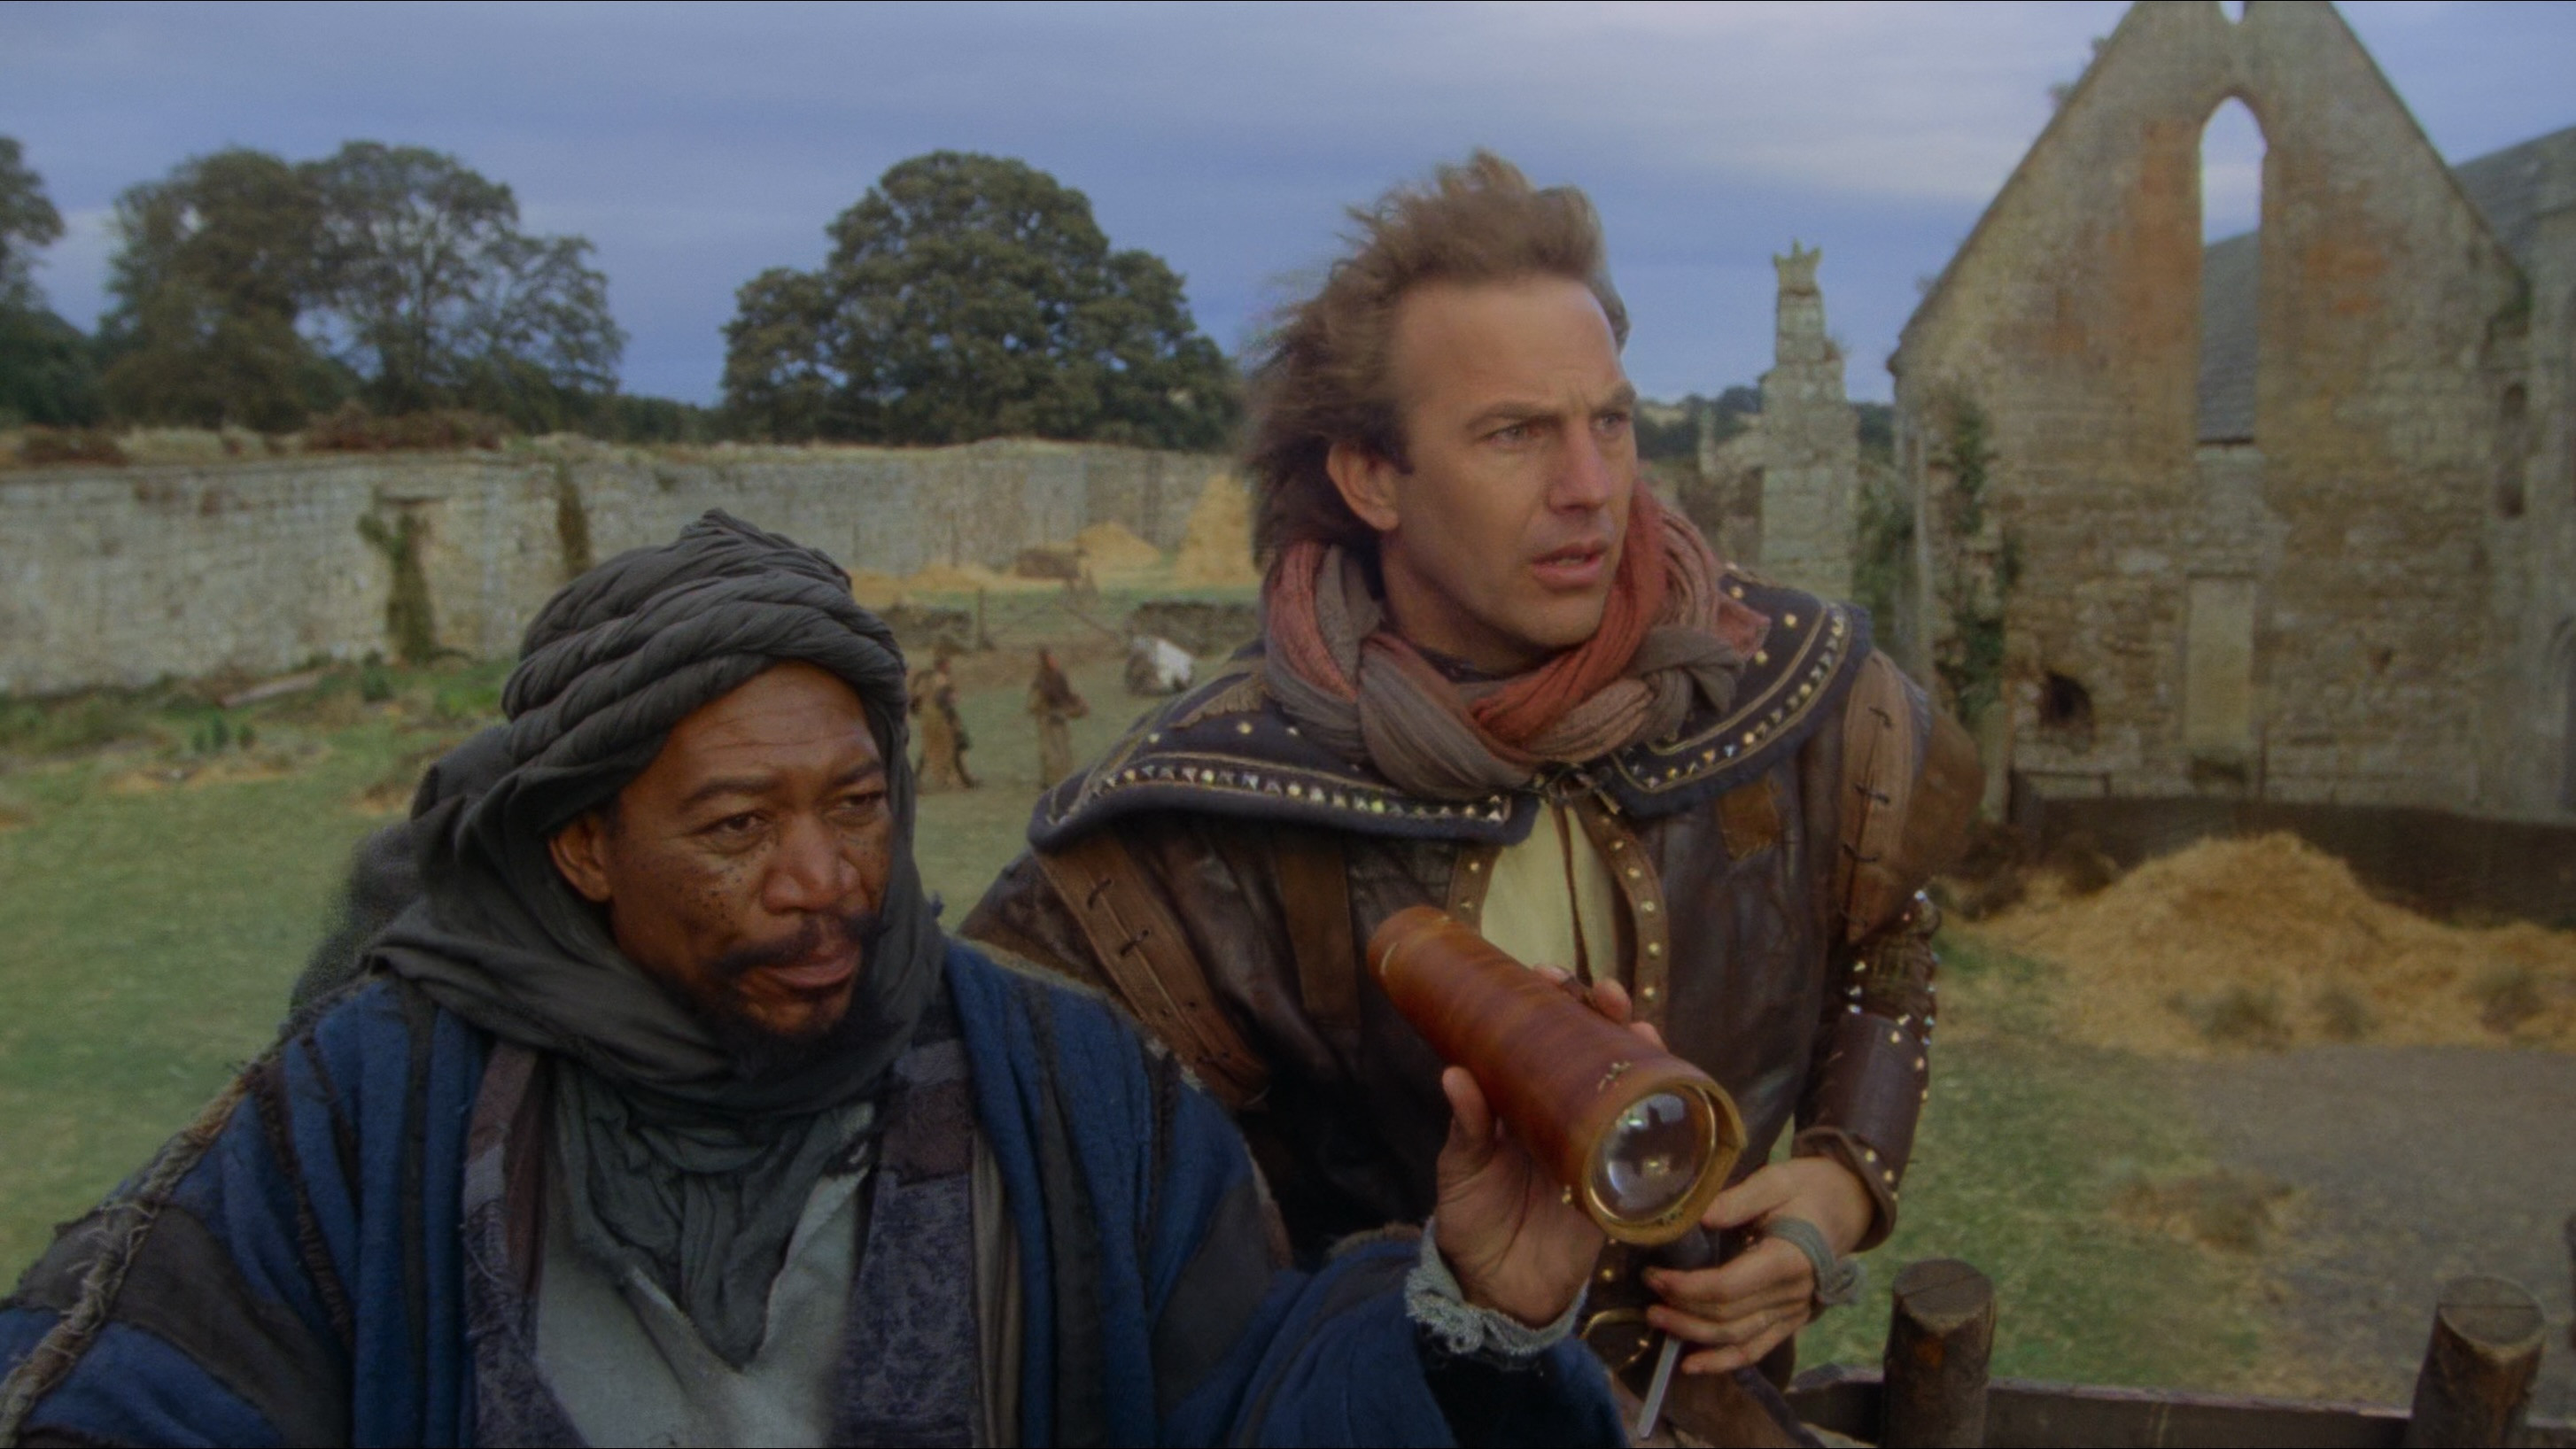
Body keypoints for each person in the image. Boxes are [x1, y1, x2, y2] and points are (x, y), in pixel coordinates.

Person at [0, 513, 1626, 1448]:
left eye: (855, 805)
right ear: (585, 846)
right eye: (735, 827)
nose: (823, 880)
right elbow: (129, 1383)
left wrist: (1474, 1313)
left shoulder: (1070, 1100)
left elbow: (1250, 1411)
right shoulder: (387, 1102)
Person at [964, 155, 1980, 1443]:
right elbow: (1094, 1211)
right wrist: (1439, 1315)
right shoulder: (1213, 810)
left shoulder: (1791, 693)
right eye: (1515, 434)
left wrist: (1839, 1185)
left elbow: (1890, 943)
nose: (1591, 487)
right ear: (1371, 477)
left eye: (1609, 421)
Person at [910, 645, 975, 791]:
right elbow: (942, 700)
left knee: (929, 747)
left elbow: (914, 700)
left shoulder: (925, 677)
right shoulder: (941, 679)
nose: (949, 667)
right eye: (947, 664)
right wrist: (952, 710)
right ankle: (959, 779)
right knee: (950, 746)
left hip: (926, 717)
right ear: (942, 665)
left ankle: (918, 778)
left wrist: (919, 711)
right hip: (940, 717)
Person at [1027, 647, 1089, 790]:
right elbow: (1033, 704)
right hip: (1046, 721)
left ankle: (1064, 780)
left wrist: (1077, 703)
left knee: (1063, 751)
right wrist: (1044, 710)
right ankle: (1050, 782)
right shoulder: (1040, 680)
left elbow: (1066, 695)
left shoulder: (1060, 676)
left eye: (1053, 658)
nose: (1053, 661)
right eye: (1050, 659)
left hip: (1060, 718)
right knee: (1050, 753)